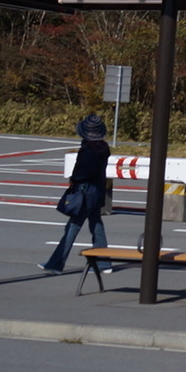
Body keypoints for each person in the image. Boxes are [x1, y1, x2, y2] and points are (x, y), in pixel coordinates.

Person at [41, 115, 112, 274]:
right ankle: (104, 263)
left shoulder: (88, 151)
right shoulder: (104, 148)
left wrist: (74, 179)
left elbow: (83, 172)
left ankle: (56, 264)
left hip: (85, 192)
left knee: (72, 227)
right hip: (97, 190)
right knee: (96, 226)